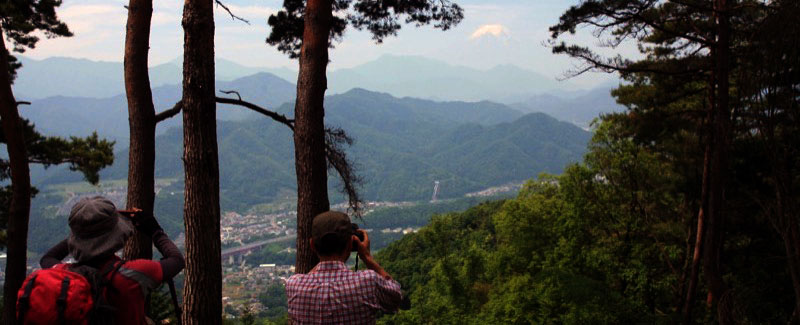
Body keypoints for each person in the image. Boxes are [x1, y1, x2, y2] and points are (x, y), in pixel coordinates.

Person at [39, 196, 185, 325]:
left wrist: (82, 232)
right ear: (116, 235)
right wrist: (155, 230)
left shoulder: (64, 275)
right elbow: (177, 260)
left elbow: (47, 259)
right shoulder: (134, 274)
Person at [286, 211, 403, 324]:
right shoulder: (368, 281)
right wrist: (367, 257)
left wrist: (322, 253)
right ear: (351, 243)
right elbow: (397, 298)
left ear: (312, 245)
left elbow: (310, 276)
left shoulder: (294, 285)